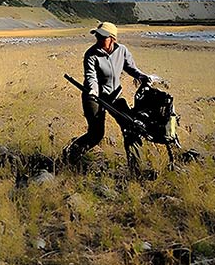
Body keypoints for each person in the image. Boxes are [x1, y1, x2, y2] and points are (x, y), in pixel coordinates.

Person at [62, 21, 154, 176]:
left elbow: (131, 68)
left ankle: (136, 171)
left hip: (115, 96)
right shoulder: (91, 54)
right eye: (97, 36)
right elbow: (91, 77)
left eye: (102, 37)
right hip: (93, 97)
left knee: (131, 128)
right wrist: (93, 90)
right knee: (96, 134)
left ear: (113, 38)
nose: (98, 39)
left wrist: (142, 76)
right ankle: (70, 156)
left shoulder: (122, 51)